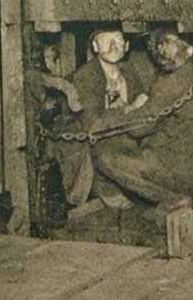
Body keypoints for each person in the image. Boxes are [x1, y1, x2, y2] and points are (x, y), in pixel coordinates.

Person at [94, 30, 193, 222]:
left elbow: (139, 127)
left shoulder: (175, 80)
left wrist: (118, 114)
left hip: (181, 173)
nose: (162, 49)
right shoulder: (192, 70)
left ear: (190, 50)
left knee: (106, 156)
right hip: (192, 164)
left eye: (171, 43)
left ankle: (174, 200)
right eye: (161, 43)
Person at [54, 28, 153, 209]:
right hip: (95, 145)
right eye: (106, 39)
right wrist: (130, 108)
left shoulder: (129, 71)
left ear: (127, 46)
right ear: (95, 46)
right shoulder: (85, 76)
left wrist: (138, 104)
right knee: (110, 158)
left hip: (124, 136)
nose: (113, 45)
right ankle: (108, 189)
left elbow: (142, 98)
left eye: (118, 39)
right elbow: (93, 123)